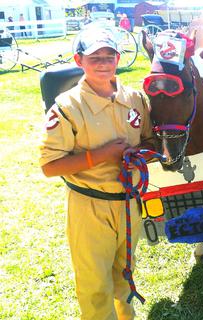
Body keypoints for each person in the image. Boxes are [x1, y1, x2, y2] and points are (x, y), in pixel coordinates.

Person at [39, 28, 154, 319]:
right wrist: (101, 155)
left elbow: (149, 139)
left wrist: (137, 155)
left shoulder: (135, 99)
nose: (103, 63)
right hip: (90, 205)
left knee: (125, 272)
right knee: (95, 283)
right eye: (94, 57)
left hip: (129, 203)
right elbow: (49, 166)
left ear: (118, 58)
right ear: (79, 60)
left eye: (109, 56)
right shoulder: (67, 107)